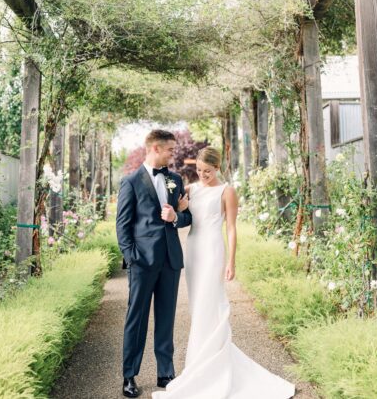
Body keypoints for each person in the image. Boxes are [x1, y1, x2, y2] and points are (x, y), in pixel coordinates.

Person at [152, 146, 295, 399]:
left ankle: (213, 368)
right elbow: (179, 215)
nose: (202, 175)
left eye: (207, 171)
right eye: (198, 170)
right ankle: (198, 368)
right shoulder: (192, 189)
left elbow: (230, 228)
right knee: (198, 308)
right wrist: (182, 208)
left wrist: (231, 261)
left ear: (217, 168)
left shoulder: (227, 191)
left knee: (212, 306)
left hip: (213, 251)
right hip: (194, 250)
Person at [116, 130, 192, 398]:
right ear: (156, 148)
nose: (173, 155)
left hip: (170, 260)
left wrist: (174, 217)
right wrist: (132, 256)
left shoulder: (175, 179)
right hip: (142, 262)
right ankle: (129, 376)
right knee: (136, 319)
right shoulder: (131, 182)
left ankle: (165, 372)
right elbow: (122, 225)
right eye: (170, 150)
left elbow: (187, 218)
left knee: (166, 317)